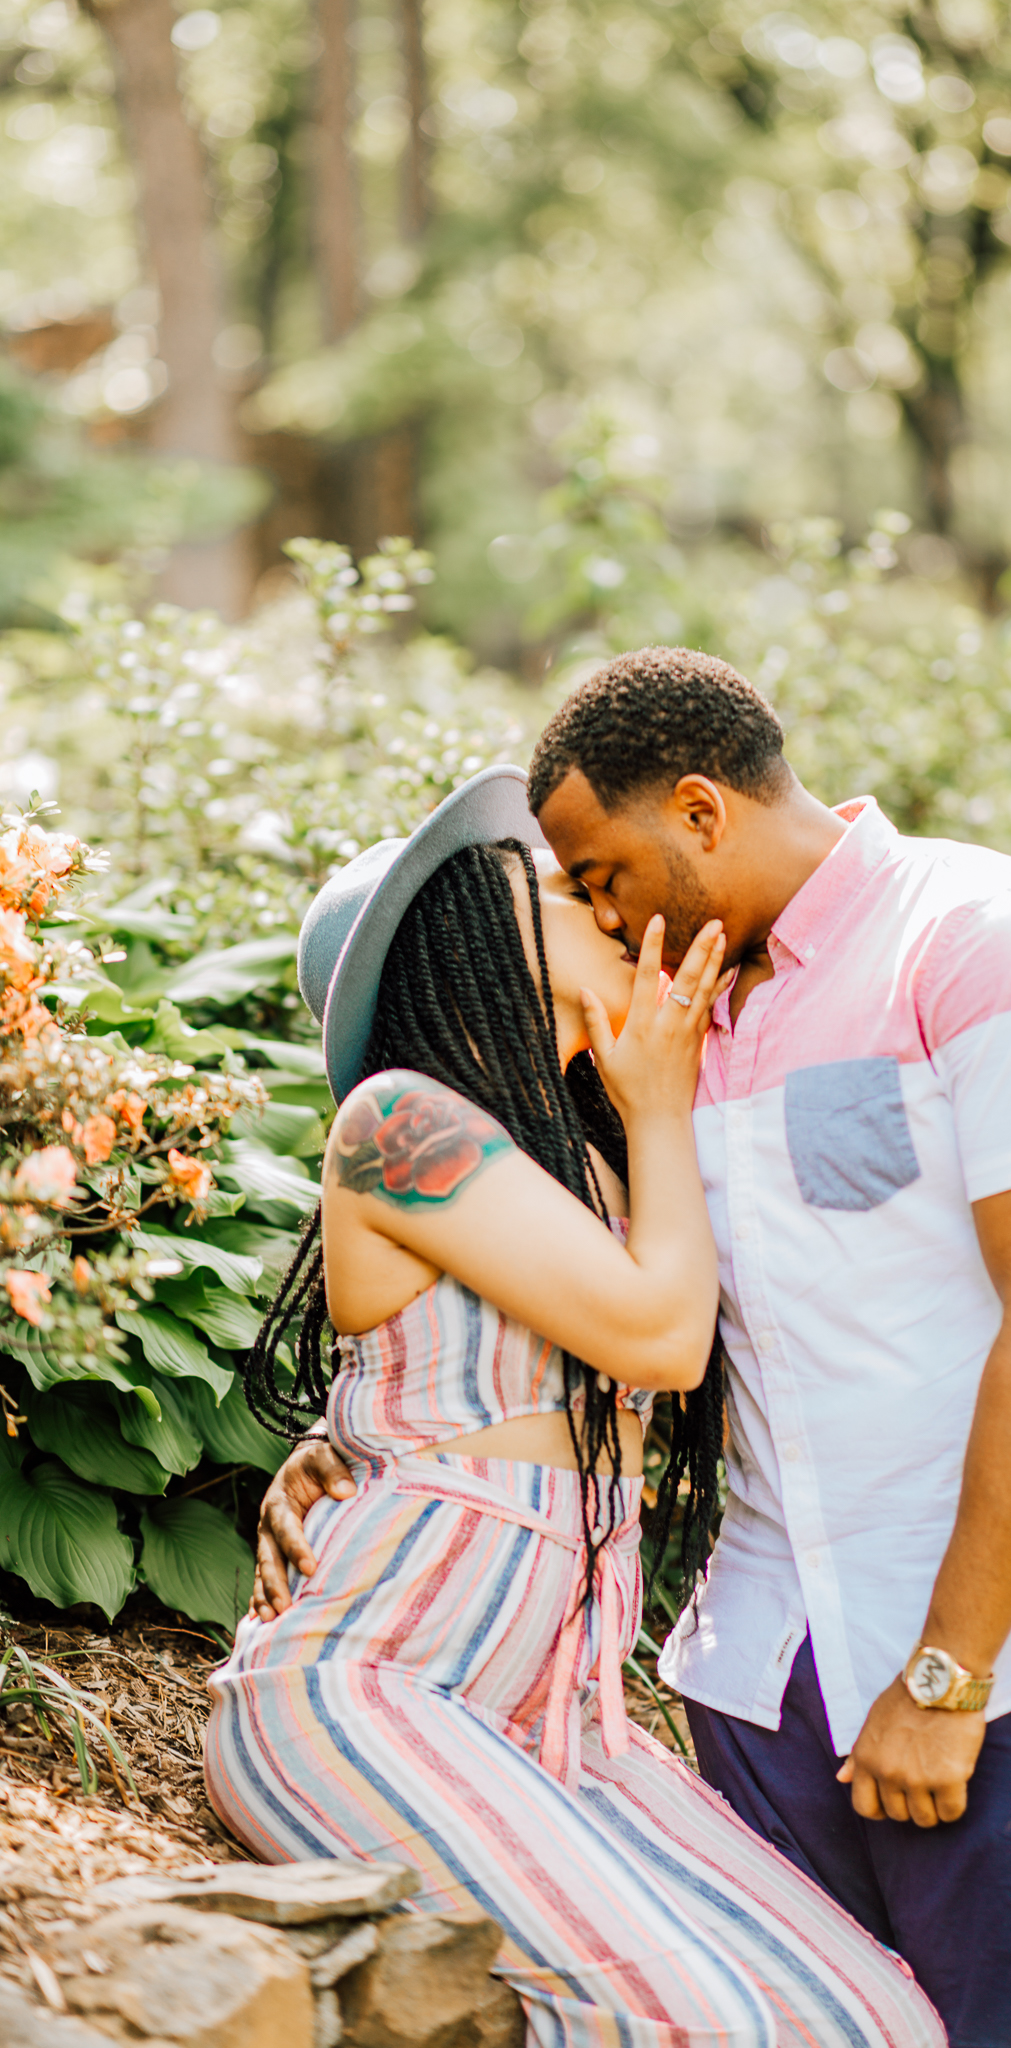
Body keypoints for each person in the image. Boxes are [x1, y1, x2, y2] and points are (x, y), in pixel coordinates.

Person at [205, 766, 943, 2048]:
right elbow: (659, 1338)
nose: (602, 907)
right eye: (552, 889)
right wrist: (658, 1100)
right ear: (465, 939)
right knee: (704, 2019)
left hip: (561, 1728)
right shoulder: (396, 1123)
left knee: (874, 2012)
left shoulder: (591, 1166)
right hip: (364, 1693)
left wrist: (341, 1440)